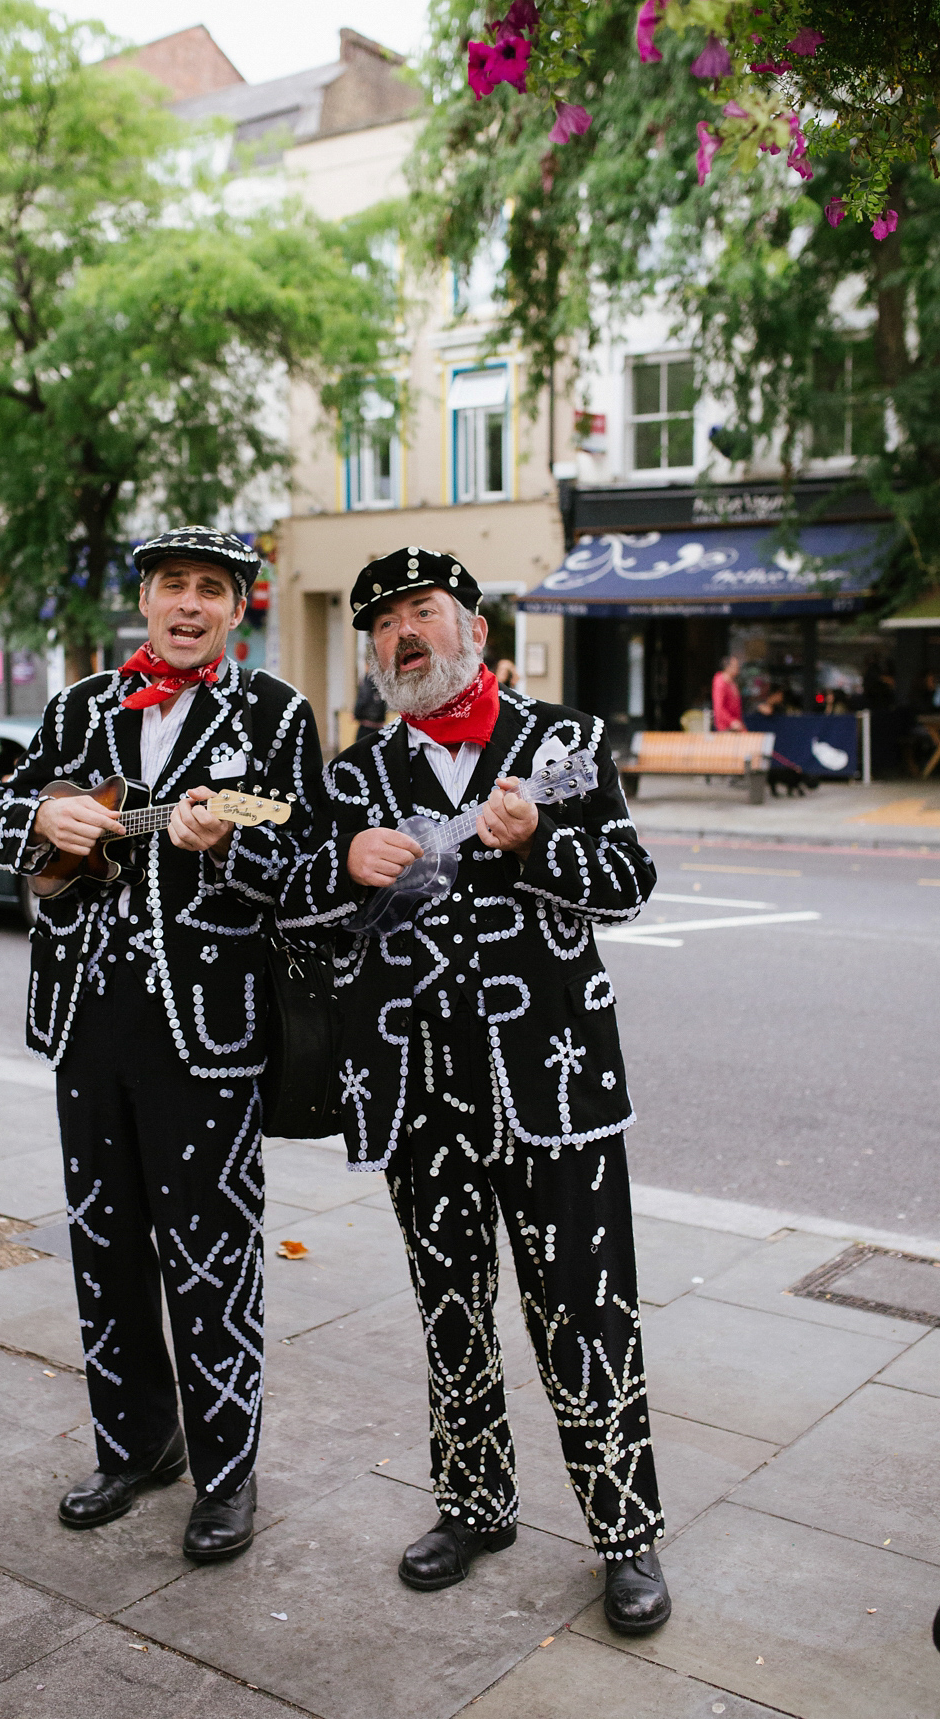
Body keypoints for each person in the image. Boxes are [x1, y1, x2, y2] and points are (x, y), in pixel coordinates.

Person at [279, 546, 671, 1636]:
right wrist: (337, 866)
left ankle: (625, 1536)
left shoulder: (565, 745)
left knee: (587, 1314)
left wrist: (542, 841)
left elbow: (629, 887)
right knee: (451, 1312)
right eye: (385, 624)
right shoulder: (352, 774)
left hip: (555, 1094)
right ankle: (475, 1505)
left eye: (424, 613)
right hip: (416, 1097)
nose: (404, 634)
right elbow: (298, 923)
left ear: (475, 632)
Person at [0, 528, 323, 1562]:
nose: (188, 604)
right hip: (86, 1022)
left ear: (235, 610)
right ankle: (134, 1448)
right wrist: (48, 815)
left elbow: (306, 864)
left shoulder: (273, 715)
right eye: (172, 585)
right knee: (104, 1247)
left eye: (210, 589)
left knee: (213, 1261)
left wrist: (233, 842)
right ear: (144, 599)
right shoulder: (80, 706)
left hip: (205, 1037)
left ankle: (226, 1474)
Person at [711, 655, 744, 732]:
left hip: (736, 725)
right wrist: (731, 721)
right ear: (728, 667)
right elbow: (719, 707)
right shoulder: (720, 682)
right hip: (726, 728)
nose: (738, 668)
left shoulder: (732, 682)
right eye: (735, 666)